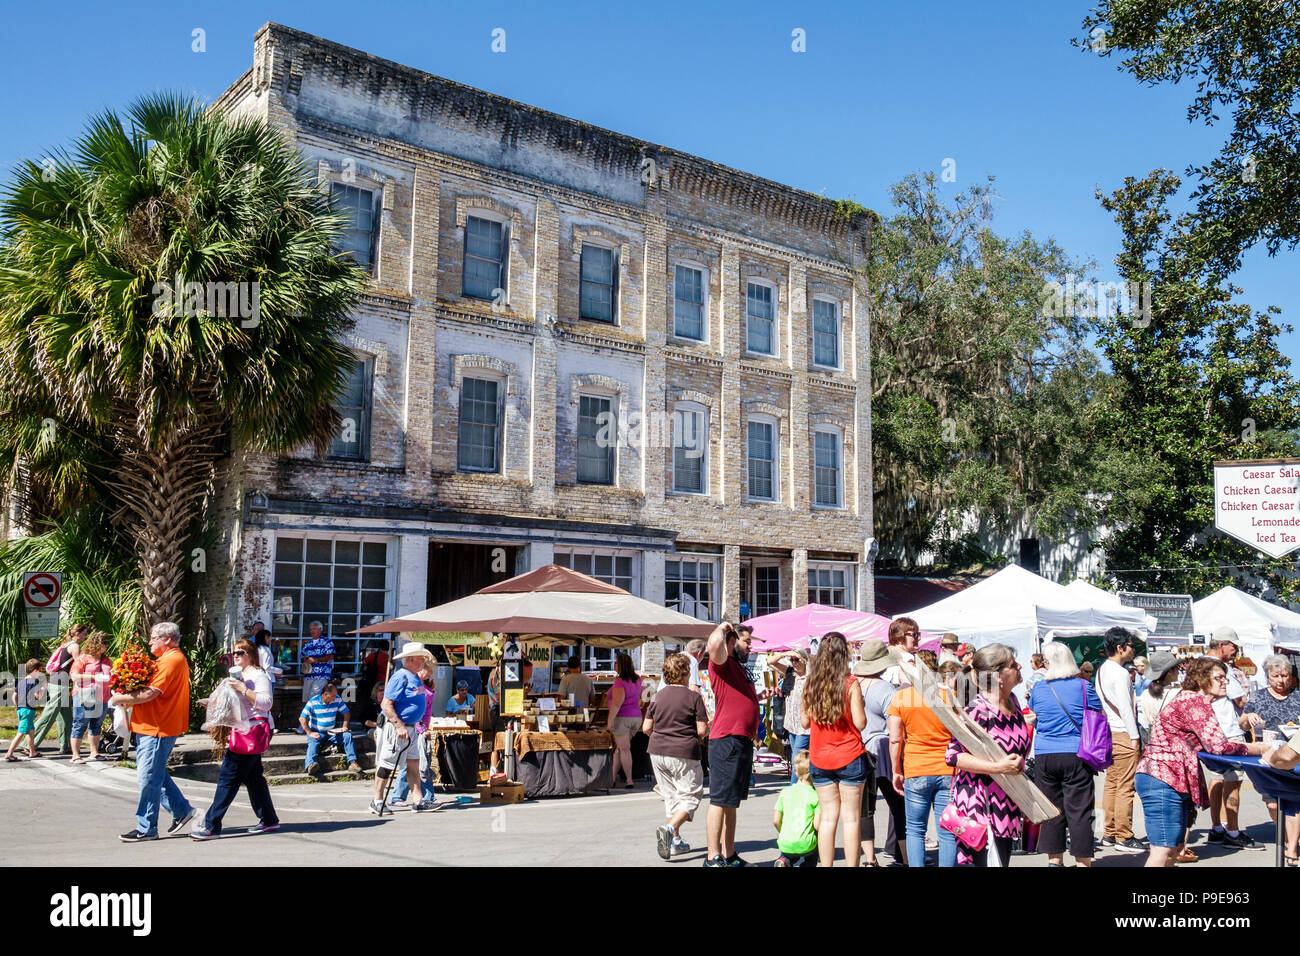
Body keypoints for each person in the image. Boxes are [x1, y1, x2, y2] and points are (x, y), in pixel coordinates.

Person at [1135, 655, 1267, 867]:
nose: (1226, 682)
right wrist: (1260, 748)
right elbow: (1219, 746)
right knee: (1162, 852)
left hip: (1164, 778)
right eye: (1219, 677)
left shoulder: (1188, 698)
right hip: (1163, 778)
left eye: (1226, 677)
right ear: (1201, 679)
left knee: (1172, 851)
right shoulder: (1194, 701)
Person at [109, 622, 196, 842]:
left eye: (154, 637)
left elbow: (151, 693)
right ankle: (182, 811)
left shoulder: (171, 660)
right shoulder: (167, 660)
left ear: (167, 639)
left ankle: (147, 827)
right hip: (152, 726)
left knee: (148, 778)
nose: (150, 642)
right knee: (155, 774)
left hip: (158, 727)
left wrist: (119, 698)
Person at [944, 644, 1030, 866]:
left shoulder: (1015, 703)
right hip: (981, 806)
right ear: (997, 676)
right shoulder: (978, 709)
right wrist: (998, 767)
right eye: (1013, 665)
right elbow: (952, 755)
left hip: (1007, 802)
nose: (1019, 666)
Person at [190, 639, 280, 839]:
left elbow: (266, 703)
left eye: (240, 652)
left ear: (250, 654)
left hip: (252, 731)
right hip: (242, 729)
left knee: (228, 777)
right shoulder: (238, 674)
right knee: (254, 778)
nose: (236, 656)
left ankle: (211, 825)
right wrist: (215, 706)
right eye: (234, 653)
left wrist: (242, 689)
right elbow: (237, 706)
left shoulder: (259, 675)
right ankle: (269, 819)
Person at [1029, 641, 1102, 867]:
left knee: (1052, 809)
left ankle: (1055, 860)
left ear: (1048, 663)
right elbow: (1097, 713)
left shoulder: (1039, 688)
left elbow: (1035, 712)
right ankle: (1082, 862)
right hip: (1076, 752)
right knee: (1080, 810)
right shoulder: (1084, 687)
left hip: (1045, 753)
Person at [799, 632, 869, 867]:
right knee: (851, 820)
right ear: (844, 655)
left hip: (819, 757)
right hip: (849, 755)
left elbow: (805, 723)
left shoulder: (811, 684)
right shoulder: (850, 684)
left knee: (828, 818)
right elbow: (860, 723)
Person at [889, 649, 957, 866]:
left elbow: (894, 739)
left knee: (915, 830)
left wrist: (895, 770)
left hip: (916, 767)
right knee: (947, 830)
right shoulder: (948, 696)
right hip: (947, 768)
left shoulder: (901, 697)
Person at [703, 621, 760, 867]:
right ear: (731, 641)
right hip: (726, 739)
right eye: (746, 641)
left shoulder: (737, 667)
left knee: (731, 800)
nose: (750, 646)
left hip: (741, 739)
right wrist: (723, 626)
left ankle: (729, 854)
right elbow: (713, 644)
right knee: (719, 799)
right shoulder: (722, 664)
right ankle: (712, 857)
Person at [643, 652, 708, 860]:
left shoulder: (657, 696)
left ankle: (675, 842)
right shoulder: (693, 697)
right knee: (691, 795)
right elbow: (701, 730)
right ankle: (669, 828)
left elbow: (646, 728)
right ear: (686, 674)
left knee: (670, 796)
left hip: (657, 750)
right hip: (683, 750)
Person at [1201, 630, 1259, 850]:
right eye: (1234, 646)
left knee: (1217, 778)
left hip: (1211, 730)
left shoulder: (1199, 664)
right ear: (1223, 645)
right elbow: (1240, 700)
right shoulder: (1220, 668)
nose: (1235, 651)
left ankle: (1217, 827)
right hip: (1228, 729)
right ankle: (1232, 832)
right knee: (1233, 780)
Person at [1243, 654, 1300, 864]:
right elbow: (1242, 722)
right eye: (1276, 676)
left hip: (1293, 754)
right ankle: (1285, 835)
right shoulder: (1258, 697)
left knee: (1294, 801)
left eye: (1285, 676)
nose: (1281, 680)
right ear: (1268, 677)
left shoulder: (1297, 696)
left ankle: (1291, 847)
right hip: (1267, 755)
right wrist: (1248, 718)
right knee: (1273, 804)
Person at [369, 642, 436, 815]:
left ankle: (418, 800)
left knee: (414, 764)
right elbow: (386, 704)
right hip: (398, 727)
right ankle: (377, 800)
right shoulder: (401, 676)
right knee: (387, 764)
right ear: (411, 659)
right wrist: (398, 725)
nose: (423, 662)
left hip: (411, 728)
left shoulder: (414, 677)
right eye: (421, 659)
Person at [856, 641, 906, 864]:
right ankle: (904, 857)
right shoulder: (884, 688)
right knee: (898, 804)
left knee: (865, 809)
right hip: (883, 750)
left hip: (859, 749)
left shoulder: (854, 684)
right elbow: (895, 722)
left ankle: (869, 858)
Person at [1096, 627, 1143, 852]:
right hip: (1123, 732)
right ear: (1120, 647)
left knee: (1112, 784)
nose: (1133, 650)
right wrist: (1134, 737)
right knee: (1125, 786)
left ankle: (1110, 832)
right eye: (1131, 645)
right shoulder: (1121, 672)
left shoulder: (1101, 670)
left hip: (1109, 733)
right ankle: (1125, 835)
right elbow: (1126, 708)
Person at [30, 624, 85, 755]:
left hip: (58, 682)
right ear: (77, 633)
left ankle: (65, 745)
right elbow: (79, 665)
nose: (85, 636)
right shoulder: (74, 646)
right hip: (60, 684)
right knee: (49, 715)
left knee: (65, 717)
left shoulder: (66, 645)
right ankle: (29, 743)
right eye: (84, 633)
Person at [391, 659, 436, 808]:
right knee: (412, 764)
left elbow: (424, 709)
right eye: (426, 672)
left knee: (419, 764)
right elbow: (413, 707)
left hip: (421, 728)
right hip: (414, 728)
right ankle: (398, 795)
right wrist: (421, 728)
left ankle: (426, 796)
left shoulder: (423, 685)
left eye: (430, 673)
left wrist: (425, 727)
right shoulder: (415, 684)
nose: (427, 675)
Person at [300, 681, 362, 775]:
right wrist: (309, 732)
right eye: (333, 695)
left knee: (347, 736)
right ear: (325, 694)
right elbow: (302, 718)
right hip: (317, 732)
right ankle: (310, 765)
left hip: (331, 732)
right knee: (313, 742)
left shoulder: (337, 699)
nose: (335, 697)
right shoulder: (313, 701)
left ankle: (352, 762)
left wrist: (344, 726)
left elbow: (346, 713)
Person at [69, 631, 113, 763]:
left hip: (102, 697)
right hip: (84, 695)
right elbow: (74, 676)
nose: (106, 646)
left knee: (96, 724)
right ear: (95, 644)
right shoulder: (83, 659)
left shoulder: (107, 660)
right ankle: (75, 755)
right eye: (103, 643)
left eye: (106, 643)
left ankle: (94, 752)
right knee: (80, 723)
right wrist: (94, 677)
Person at [772, 750, 821, 867]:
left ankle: (784, 860)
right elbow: (817, 825)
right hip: (806, 844)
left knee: (790, 852)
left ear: (795, 772)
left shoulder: (785, 792)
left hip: (785, 842)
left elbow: (776, 821)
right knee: (814, 847)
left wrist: (782, 832)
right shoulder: (816, 796)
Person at [606, 652, 643, 788]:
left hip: (622, 718)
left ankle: (629, 780)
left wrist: (610, 721)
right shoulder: (637, 679)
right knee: (619, 749)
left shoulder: (620, 682)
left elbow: (617, 703)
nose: (614, 665)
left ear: (620, 665)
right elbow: (641, 697)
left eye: (616, 663)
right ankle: (612, 778)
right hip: (636, 717)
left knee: (624, 749)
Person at [777, 649, 810, 784]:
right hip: (791, 724)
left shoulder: (811, 677)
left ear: (805, 660)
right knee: (799, 758)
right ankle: (803, 787)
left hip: (805, 727)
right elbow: (770, 661)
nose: (794, 663)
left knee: (797, 758)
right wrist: (786, 654)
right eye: (792, 660)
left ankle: (793, 789)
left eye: (797, 660)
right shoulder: (790, 674)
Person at [4, 659, 44, 761]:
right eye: (40, 669)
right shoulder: (34, 682)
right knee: (21, 732)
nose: (40, 672)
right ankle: (9, 753)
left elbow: (14, 696)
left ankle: (32, 752)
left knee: (31, 731)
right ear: (35, 670)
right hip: (28, 710)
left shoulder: (22, 681)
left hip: (21, 709)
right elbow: (37, 696)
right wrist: (43, 689)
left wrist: (18, 706)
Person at [299, 620, 334, 703]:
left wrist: (315, 660)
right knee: (306, 698)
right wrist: (305, 659)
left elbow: (330, 656)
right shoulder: (308, 644)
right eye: (311, 629)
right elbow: (302, 657)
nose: (312, 631)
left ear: (320, 629)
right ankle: (308, 715)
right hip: (308, 675)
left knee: (314, 697)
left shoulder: (327, 642)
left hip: (321, 675)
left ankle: (315, 715)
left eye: (314, 629)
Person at [882, 618, 919, 687]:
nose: (919, 638)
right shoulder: (908, 658)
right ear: (899, 637)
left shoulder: (880, 655)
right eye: (915, 635)